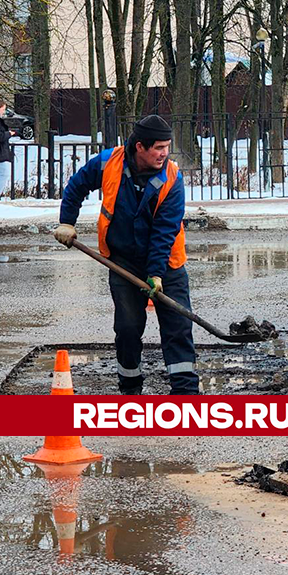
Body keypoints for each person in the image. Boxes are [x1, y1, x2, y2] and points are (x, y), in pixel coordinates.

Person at [52, 115, 198, 395]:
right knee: (128, 328)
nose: (164, 153)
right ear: (140, 146)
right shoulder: (109, 163)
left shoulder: (172, 178)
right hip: (122, 261)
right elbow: (76, 186)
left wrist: (156, 273)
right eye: (158, 147)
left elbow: (165, 231)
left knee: (177, 327)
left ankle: (186, 394)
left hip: (167, 262)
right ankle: (130, 390)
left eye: (167, 147)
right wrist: (67, 222)